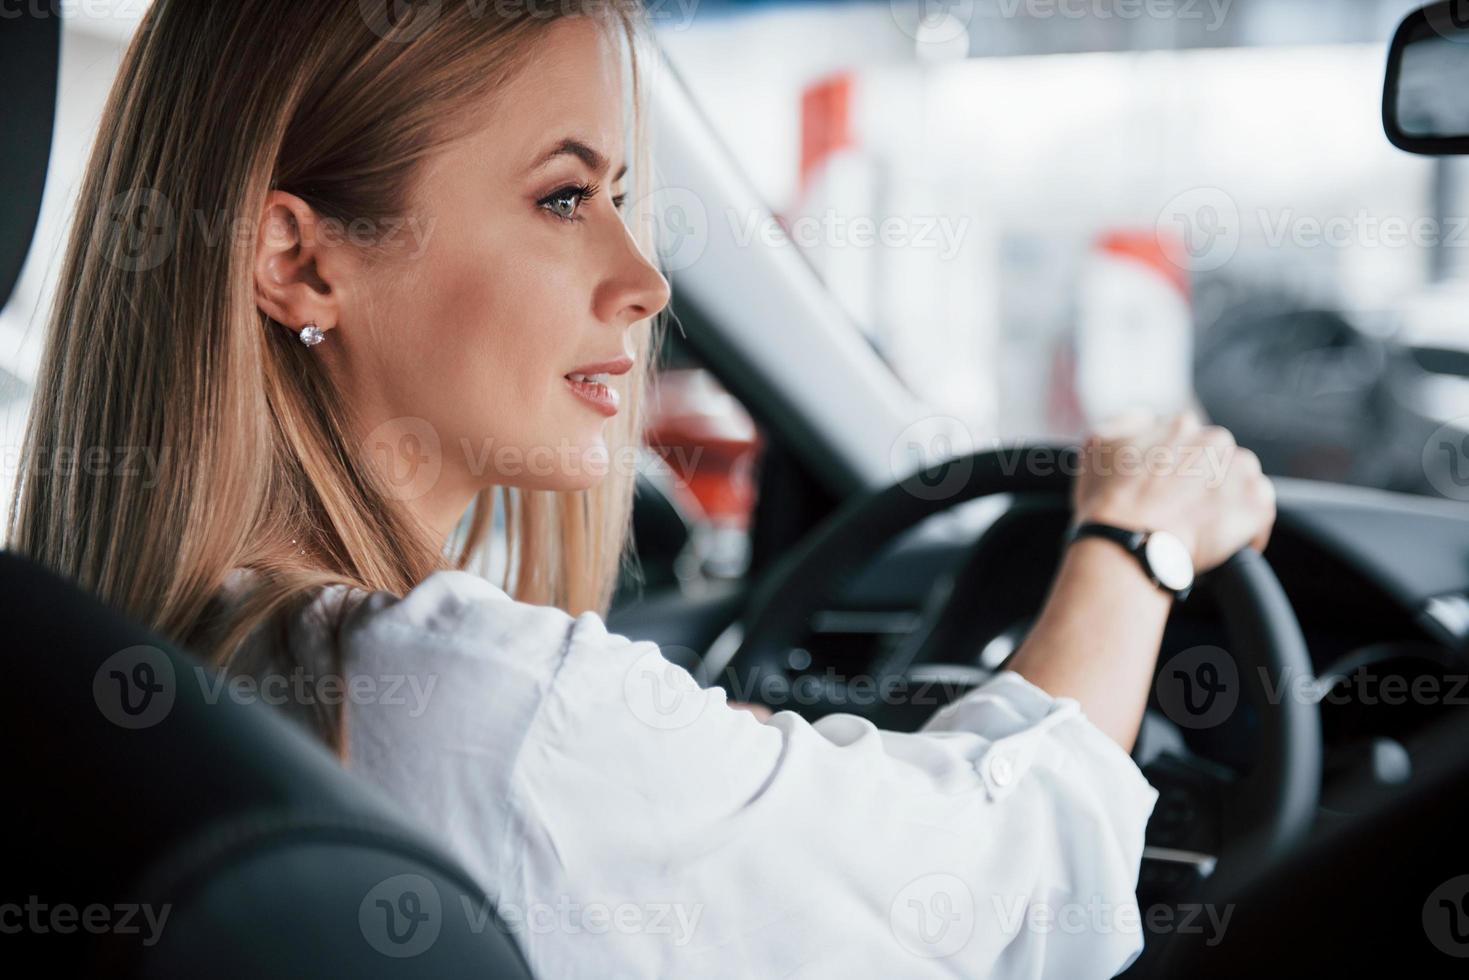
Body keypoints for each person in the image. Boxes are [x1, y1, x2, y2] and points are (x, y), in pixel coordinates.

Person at [5, 1, 1274, 976]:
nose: (645, 278)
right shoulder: (486, 705)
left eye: (617, 195)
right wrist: (1136, 538)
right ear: (297, 258)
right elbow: (1003, 890)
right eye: (563, 197)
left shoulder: (100, 659)